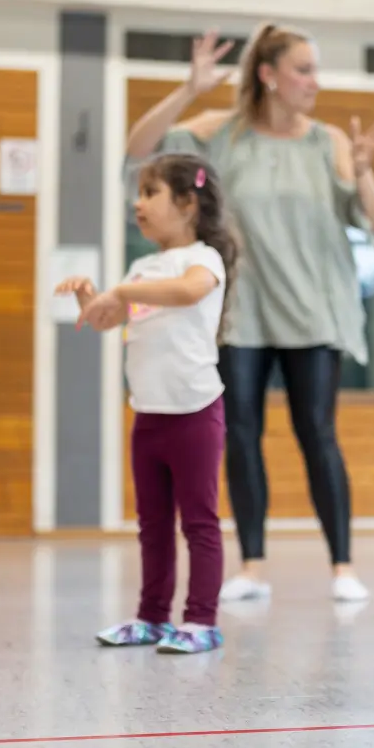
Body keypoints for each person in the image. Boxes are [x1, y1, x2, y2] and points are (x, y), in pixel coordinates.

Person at [125, 23, 374, 604]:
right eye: (303, 69)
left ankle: (343, 567)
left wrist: (361, 169)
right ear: (268, 75)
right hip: (244, 315)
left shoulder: (328, 140)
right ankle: (252, 568)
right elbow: (140, 151)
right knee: (243, 436)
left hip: (314, 313)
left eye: (314, 69)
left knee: (318, 435)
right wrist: (189, 90)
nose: (314, 81)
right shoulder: (219, 138)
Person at [57, 153, 238, 654]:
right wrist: (89, 296)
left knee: (199, 522)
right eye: (138, 193)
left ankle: (201, 620)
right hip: (149, 416)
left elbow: (186, 292)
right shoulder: (141, 267)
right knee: (152, 525)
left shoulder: (203, 259)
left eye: (150, 192)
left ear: (187, 203)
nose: (138, 203)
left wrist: (122, 289)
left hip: (196, 413)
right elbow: (102, 319)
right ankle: (152, 617)